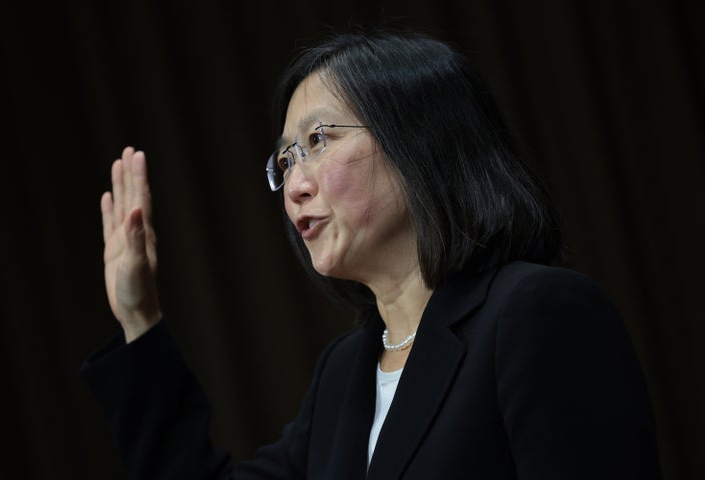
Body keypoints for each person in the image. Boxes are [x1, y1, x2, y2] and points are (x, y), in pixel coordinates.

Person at [81, 28, 662, 479]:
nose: (295, 184)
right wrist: (140, 318)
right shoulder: (344, 374)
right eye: (285, 161)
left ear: (419, 139)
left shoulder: (535, 312)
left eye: (316, 141)